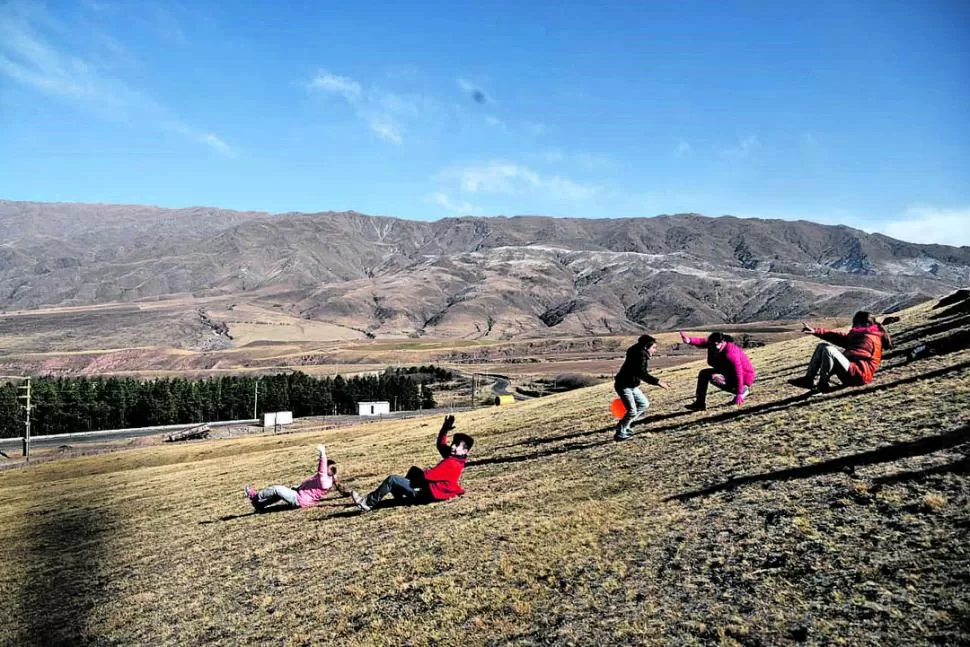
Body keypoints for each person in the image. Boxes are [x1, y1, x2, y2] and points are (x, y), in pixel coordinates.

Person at [351, 415, 472, 512]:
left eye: (457, 445)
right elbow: (440, 445)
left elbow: (427, 476)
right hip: (432, 490)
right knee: (414, 470)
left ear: (465, 451)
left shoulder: (451, 463)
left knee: (392, 479)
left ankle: (366, 503)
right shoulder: (457, 459)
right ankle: (400, 496)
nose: (452, 446)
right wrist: (444, 429)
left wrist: (426, 471)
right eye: (453, 443)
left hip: (428, 493)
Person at [789, 311, 893, 392]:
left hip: (859, 375)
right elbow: (842, 339)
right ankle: (808, 380)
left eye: (855, 323)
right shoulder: (862, 334)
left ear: (865, 324)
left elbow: (855, 352)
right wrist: (816, 331)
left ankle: (823, 384)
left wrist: (835, 361)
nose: (853, 326)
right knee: (822, 346)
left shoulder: (871, 338)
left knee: (829, 350)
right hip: (852, 370)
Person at [244, 444, 341, 511]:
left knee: (276, 489)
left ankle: (255, 496)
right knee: (278, 494)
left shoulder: (324, 481)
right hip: (301, 496)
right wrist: (298, 488)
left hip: (300, 500)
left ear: (329, 470)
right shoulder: (329, 478)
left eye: (325, 467)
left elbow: (321, 471)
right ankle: (260, 505)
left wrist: (323, 454)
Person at [612, 334, 670, 441]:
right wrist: (658, 382)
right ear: (645, 347)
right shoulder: (640, 356)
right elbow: (642, 373)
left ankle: (625, 425)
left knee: (644, 404)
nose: (655, 350)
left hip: (632, 385)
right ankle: (620, 432)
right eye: (653, 348)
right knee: (632, 411)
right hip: (624, 386)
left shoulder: (637, 353)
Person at [680, 331, 756, 411]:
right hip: (727, 372)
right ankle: (700, 404)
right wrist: (689, 340)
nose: (712, 347)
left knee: (714, 378)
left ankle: (743, 390)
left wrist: (740, 393)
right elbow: (702, 341)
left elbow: (739, 372)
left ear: (722, 342)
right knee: (704, 374)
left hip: (743, 378)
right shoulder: (712, 344)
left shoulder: (731, 353)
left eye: (715, 345)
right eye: (711, 344)